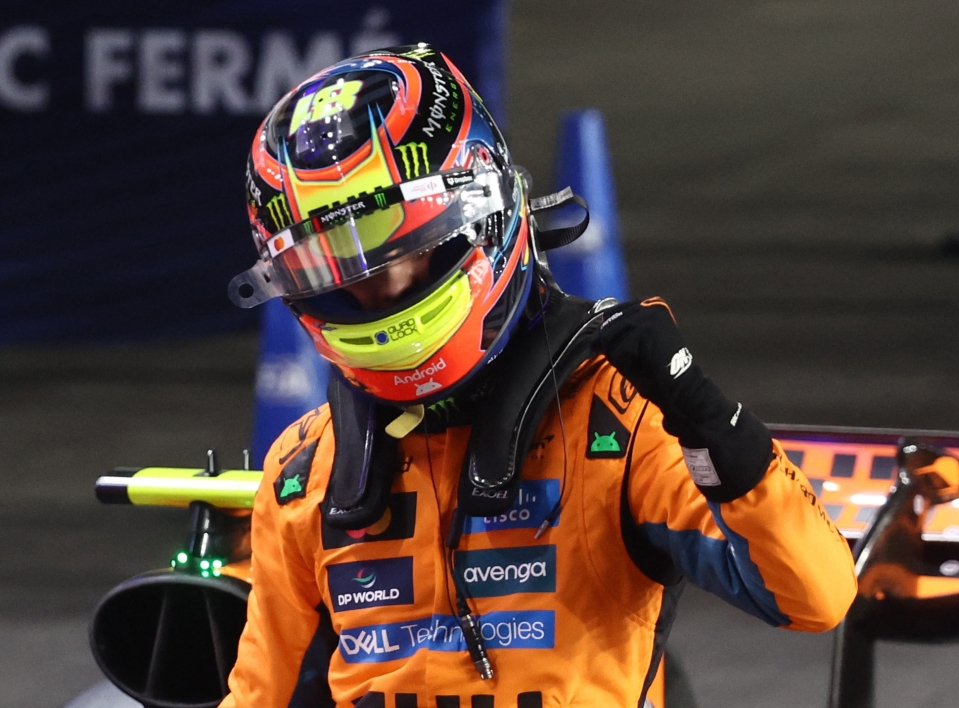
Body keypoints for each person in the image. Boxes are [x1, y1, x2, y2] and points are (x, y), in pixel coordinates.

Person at [223, 45, 857, 708]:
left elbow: (815, 597)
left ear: (475, 213)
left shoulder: (619, 422)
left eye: (390, 240)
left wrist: (702, 412)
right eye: (328, 264)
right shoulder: (305, 471)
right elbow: (255, 698)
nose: (372, 281)